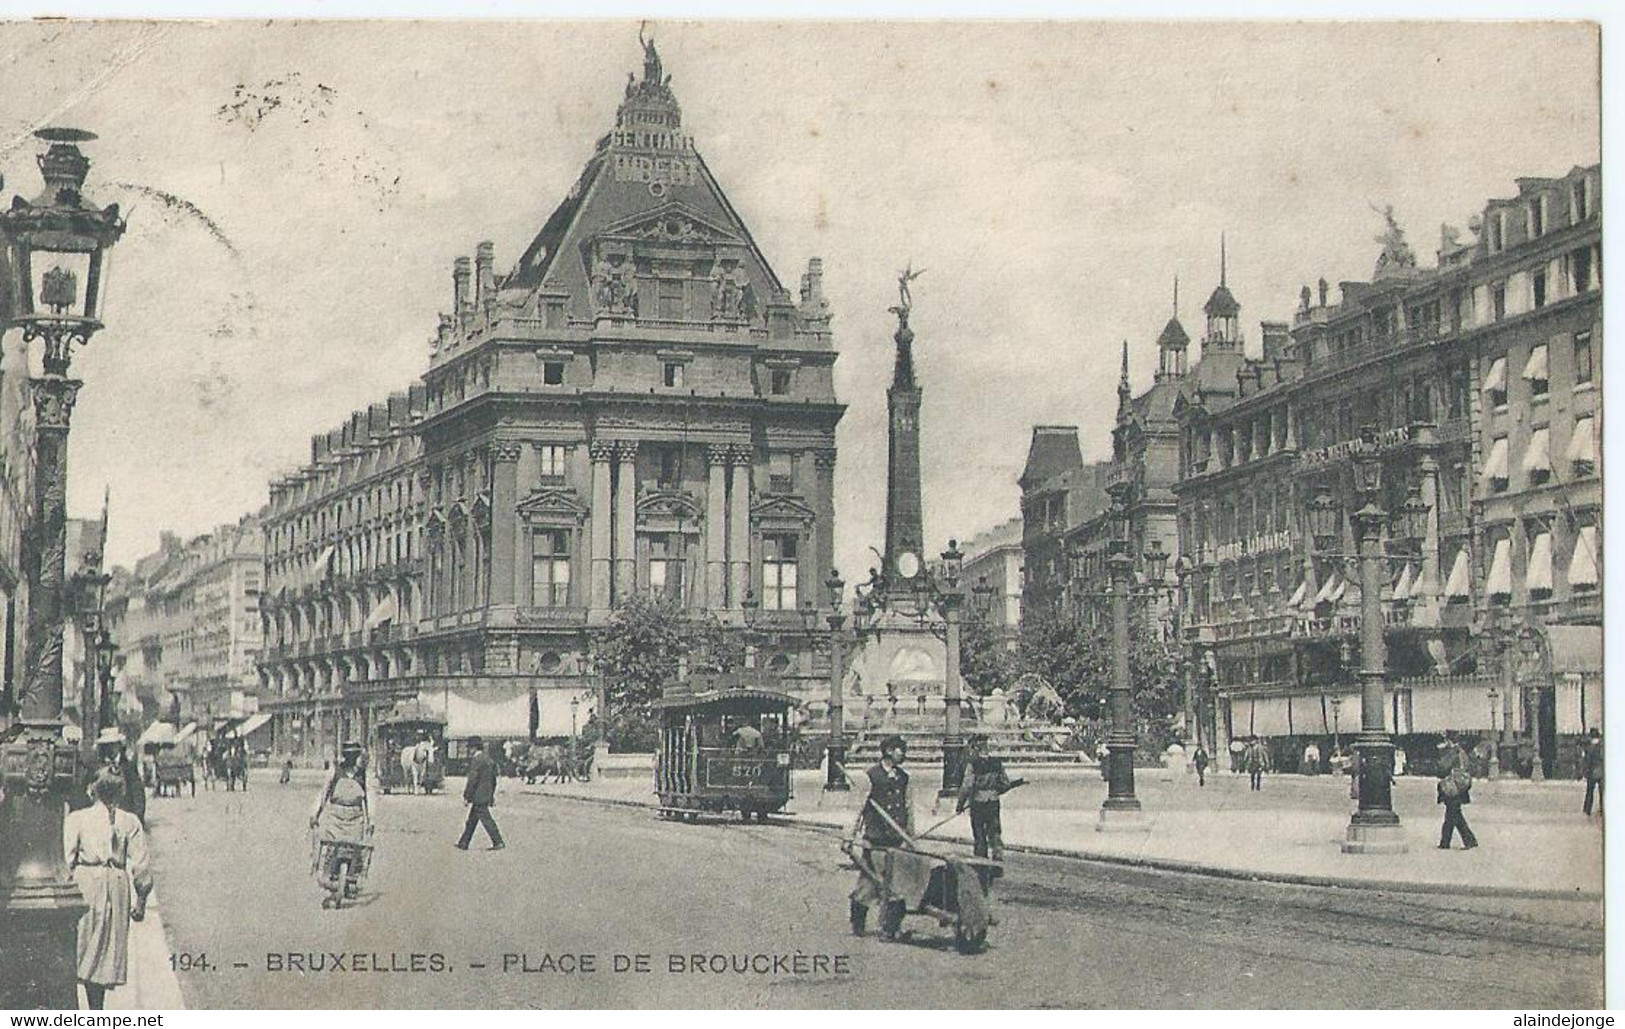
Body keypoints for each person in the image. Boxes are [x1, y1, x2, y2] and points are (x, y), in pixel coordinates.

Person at [65, 770, 153, 1010]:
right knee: (104, 952)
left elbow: (67, 858)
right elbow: (142, 865)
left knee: (84, 945)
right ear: (120, 792)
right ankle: (96, 1010)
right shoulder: (130, 821)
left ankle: (85, 1009)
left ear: (91, 791)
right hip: (116, 884)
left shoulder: (76, 819)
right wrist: (141, 901)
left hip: (85, 883)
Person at [848, 734, 915, 939]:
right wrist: (850, 835)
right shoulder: (871, 776)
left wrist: (910, 835)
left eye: (903, 750)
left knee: (872, 883)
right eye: (898, 750)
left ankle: (886, 926)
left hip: (895, 838)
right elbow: (859, 808)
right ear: (887, 751)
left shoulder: (904, 777)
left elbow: (908, 807)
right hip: (875, 838)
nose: (902, 754)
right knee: (885, 884)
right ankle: (886, 927)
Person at [309, 741, 373, 908]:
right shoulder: (334, 772)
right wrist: (315, 813)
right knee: (332, 851)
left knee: (354, 852)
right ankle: (329, 877)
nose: (351, 759)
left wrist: (371, 820)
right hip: (336, 817)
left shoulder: (364, 775)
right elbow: (323, 794)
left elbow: (369, 799)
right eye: (349, 755)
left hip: (355, 818)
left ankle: (351, 878)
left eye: (354, 755)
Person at [956, 734, 1012, 863]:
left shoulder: (973, 765)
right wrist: (995, 791)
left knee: (979, 831)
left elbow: (967, 786)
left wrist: (960, 804)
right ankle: (998, 855)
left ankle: (981, 859)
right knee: (995, 829)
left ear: (976, 748)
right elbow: (1006, 784)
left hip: (978, 802)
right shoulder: (996, 763)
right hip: (993, 801)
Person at [456, 736, 504, 851]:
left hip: (478, 796)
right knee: (472, 820)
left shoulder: (477, 760)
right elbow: (493, 780)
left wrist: (467, 796)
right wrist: (491, 796)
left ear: (474, 748)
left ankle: (498, 841)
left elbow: (472, 779)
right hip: (485, 795)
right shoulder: (489, 760)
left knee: (486, 820)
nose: (469, 750)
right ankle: (463, 843)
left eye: (470, 748)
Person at [1436, 736, 1479, 850]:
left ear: (1450, 741)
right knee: (1452, 814)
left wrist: (1441, 755)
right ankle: (1445, 842)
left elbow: (1442, 768)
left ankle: (1469, 841)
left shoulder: (1452, 753)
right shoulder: (1462, 753)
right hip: (1460, 787)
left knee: (1455, 815)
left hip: (1452, 787)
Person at [1581, 728, 1603, 816]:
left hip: (1592, 771)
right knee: (1602, 792)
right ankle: (1602, 808)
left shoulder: (1589, 748)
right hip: (1601, 771)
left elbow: (1587, 761)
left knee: (1590, 791)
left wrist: (1584, 772)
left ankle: (1587, 809)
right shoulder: (1602, 746)